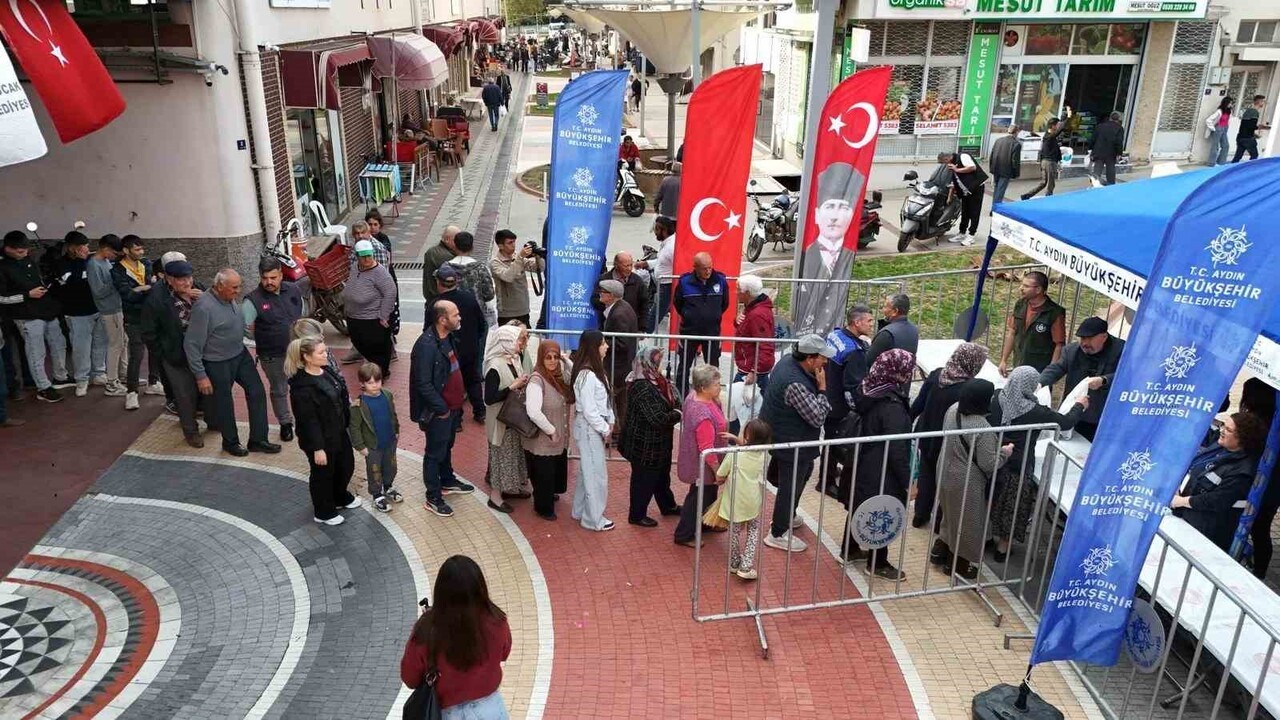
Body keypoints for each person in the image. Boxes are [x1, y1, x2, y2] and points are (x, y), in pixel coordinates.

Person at [987, 366, 1086, 560]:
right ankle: (1002, 550)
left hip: (993, 459)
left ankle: (986, 538)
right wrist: (1079, 405)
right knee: (1012, 508)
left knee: (991, 501)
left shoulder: (998, 397)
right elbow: (1065, 422)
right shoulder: (1035, 411)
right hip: (1019, 465)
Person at [400, 555, 512, 720]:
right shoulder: (497, 621)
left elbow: (409, 678)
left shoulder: (426, 629)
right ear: (480, 587)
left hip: (445, 713)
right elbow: (504, 653)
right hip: (491, 710)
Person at [185, 269, 280, 457]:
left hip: (240, 354)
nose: (238, 291)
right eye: (234, 288)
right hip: (217, 362)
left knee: (257, 392)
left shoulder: (229, 297)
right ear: (220, 286)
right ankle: (230, 442)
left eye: (239, 287)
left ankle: (258, 440)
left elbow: (235, 323)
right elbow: (191, 343)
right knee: (224, 403)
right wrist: (200, 375)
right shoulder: (204, 307)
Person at [760, 335, 834, 553]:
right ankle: (777, 533)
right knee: (790, 486)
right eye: (822, 358)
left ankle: (788, 515)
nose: (826, 363)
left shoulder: (786, 362)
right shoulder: (796, 384)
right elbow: (818, 417)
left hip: (785, 437)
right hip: (792, 442)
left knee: (803, 472)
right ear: (810, 359)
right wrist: (822, 388)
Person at [846, 349, 916, 579]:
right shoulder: (892, 405)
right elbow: (897, 448)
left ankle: (850, 548)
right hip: (882, 469)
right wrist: (907, 482)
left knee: (862, 504)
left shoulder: (870, 388)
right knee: (881, 510)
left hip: (864, 461)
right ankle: (878, 563)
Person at [935, 379, 1013, 580]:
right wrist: (1004, 453)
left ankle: (939, 551)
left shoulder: (953, 410)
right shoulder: (982, 427)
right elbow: (989, 464)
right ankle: (958, 566)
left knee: (949, 514)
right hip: (965, 482)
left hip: (944, 469)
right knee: (967, 524)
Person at [411, 299, 478, 518]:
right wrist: (442, 409)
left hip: (452, 409)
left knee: (446, 446)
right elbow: (423, 384)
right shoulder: (426, 346)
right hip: (440, 412)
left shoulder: (448, 338)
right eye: (455, 314)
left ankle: (447, 480)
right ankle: (433, 496)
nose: (460, 318)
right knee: (434, 453)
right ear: (442, 320)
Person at [911, 342, 988, 529]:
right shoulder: (968, 389)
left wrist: (908, 422)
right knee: (944, 481)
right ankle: (939, 522)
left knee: (926, 475)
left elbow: (919, 403)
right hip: (948, 442)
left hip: (926, 433)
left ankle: (920, 515)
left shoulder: (937, 374)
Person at [286, 336, 359, 525]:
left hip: (338, 431)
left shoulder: (326, 371)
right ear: (307, 357)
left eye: (325, 350)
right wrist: (318, 448)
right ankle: (324, 511)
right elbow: (308, 420)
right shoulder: (301, 387)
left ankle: (340, 496)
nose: (326, 354)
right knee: (323, 475)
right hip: (320, 439)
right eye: (321, 352)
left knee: (345, 466)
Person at [1173, 412, 1268, 551]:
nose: (1222, 431)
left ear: (1243, 438)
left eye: (1228, 430)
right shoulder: (1221, 446)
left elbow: (1218, 500)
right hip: (1185, 517)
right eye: (1223, 425)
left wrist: (1181, 501)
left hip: (1204, 532)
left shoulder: (1243, 472)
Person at [141, 260, 211, 447]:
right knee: (184, 394)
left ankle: (213, 421)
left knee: (208, 389)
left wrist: (204, 298)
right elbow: (148, 332)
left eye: (189, 278)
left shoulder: (200, 289)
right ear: (169, 279)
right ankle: (191, 431)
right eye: (181, 280)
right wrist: (164, 353)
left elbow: (216, 308)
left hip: (203, 352)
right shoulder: (157, 299)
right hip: (176, 355)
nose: (187, 283)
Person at [0, 230, 69, 403]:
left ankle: (61, 376)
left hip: (46, 310)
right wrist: (27, 295)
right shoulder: (2, 267)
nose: (24, 254)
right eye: (19, 251)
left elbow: (39, 281)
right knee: (36, 351)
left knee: (58, 343)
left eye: (25, 251)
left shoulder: (29, 261)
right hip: (25, 315)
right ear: (8, 248)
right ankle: (43, 387)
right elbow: (2, 298)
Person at [795, 163, 863, 331]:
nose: (834, 216)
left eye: (843, 208)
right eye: (830, 206)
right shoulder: (805, 255)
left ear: (852, 215)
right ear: (817, 215)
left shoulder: (848, 256)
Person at [618, 346, 682, 527]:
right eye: (658, 360)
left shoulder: (656, 380)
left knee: (662, 477)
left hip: (659, 443)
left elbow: (673, 401)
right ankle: (636, 515)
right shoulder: (641, 386)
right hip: (644, 446)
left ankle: (667, 505)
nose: (661, 364)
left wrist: (675, 409)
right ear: (649, 362)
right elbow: (658, 418)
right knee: (643, 480)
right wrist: (678, 413)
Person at [244, 257, 304, 442]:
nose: (269, 282)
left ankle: (304, 419)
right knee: (279, 389)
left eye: (273, 277)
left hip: (297, 351)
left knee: (302, 387)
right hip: (272, 356)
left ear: (281, 274)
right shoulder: (252, 300)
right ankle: (285, 423)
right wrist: (264, 338)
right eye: (264, 278)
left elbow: (300, 312)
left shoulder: (293, 289)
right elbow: (245, 328)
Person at [1038, 317, 1125, 442]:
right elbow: (1056, 368)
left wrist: (1104, 380)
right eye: (1082, 338)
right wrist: (1040, 382)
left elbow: (1128, 376)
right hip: (1076, 414)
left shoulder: (1122, 350)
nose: (1085, 343)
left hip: (1105, 417)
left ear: (1104, 336)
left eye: (1089, 339)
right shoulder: (1071, 351)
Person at [821, 304, 875, 501]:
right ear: (856, 322)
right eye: (868, 320)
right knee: (835, 442)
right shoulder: (853, 352)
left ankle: (828, 472)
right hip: (838, 406)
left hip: (827, 395)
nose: (871, 324)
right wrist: (858, 409)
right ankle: (825, 482)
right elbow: (852, 387)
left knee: (830, 439)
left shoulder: (836, 335)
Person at [674, 363, 729, 547]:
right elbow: (707, 447)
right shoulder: (702, 413)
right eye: (715, 384)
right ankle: (684, 534)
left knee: (708, 492)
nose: (718, 387)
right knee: (698, 497)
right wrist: (717, 470)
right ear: (703, 387)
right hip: (703, 464)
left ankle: (706, 522)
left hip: (700, 460)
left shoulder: (695, 397)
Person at [113, 235, 167, 410]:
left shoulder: (147, 264)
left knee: (155, 350)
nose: (141, 252)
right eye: (137, 249)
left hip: (151, 315)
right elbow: (127, 295)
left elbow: (155, 287)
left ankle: (153, 382)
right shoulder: (118, 270)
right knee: (136, 354)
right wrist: (143, 288)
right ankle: (132, 392)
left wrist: (139, 289)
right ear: (126, 251)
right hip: (133, 318)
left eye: (142, 248)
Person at [482, 324, 533, 514]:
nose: (522, 343)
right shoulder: (494, 366)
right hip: (500, 421)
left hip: (512, 419)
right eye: (519, 339)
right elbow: (489, 398)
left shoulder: (513, 360)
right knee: (501, 456)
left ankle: (511, 487)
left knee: (513, 455)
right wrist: (513, 386)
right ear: (506, 342)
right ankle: (495, 497)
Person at [570, 330, 616, 532]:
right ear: (594, 347)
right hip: (590, 430)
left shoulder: (592, 372)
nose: (606, 346)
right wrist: (605, 428)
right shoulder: (587, 375)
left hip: (591, 427)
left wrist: (610, 420)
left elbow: (601, 402)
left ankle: (580, 510)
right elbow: (589, 410)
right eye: (603, 343)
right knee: (596, 475)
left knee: (586, 472)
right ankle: (593, 518)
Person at [716, 419, 772, 581]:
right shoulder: (763, 455)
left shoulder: (734, 454)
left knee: (734, 532)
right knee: (753, 531)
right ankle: (746, 565)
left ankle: (734, 563)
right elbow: (751, 447)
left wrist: (736, 441)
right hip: (752, 500)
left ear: (746, 436)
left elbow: (720, 475)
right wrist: (738, 440)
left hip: (733, 500)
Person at [50, 233, 104, 396]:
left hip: (96, 308)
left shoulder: (92, 261)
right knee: (81, 347)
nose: (88, 249)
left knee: (99, 343)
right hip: (76, 312)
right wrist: (81, 263)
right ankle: (82, 379)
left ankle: (99, 373)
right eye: (85, 246)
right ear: (75, 248)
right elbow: (72, 282)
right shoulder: (62, 264)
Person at [524, 339, 573, 520]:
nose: (552, 361)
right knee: (544, 473)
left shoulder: (558, 377)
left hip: (557, 438)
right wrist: (551, 430)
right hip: (543, 439)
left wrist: (566, 360)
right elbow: (533, 411)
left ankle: (548, 495)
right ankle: (543, 508)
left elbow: (574, 375)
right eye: (548, 357)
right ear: (540, 358)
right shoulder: (537, 380)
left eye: (556, 357)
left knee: (553, 470)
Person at [435, 265, 489, 423]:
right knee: (473, 380)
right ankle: (480, 411)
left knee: (452, 384)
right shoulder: (469, 298)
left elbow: (429, 331)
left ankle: (457, 419)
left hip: (448, 352)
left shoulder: (437, 304)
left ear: (438, 282)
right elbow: (482, 324)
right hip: (470, 349)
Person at [349, 362, 403, 513]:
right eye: (370, 383)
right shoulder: (358, 405)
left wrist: (396, 430)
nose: (375, 385)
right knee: (374, 471)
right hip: (372, 446)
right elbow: (354, 428)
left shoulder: (387, 395)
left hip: (389, 441)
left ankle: (388, 486)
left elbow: (393, 415)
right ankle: (377, 495)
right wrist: (360, 446)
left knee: (390, 466)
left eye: (377, 381)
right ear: (362, 383)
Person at [672, 251, 729, 396]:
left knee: (713, 368)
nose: (708, 271)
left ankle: (712, 397)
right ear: (695, 267)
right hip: (689, 332)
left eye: (710, 267)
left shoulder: (720, 280)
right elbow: (678, 303)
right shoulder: (685, 282)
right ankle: (681, 398)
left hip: (712, 333)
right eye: (704, 268)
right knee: (684, 367)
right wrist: (689, 315)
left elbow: (725, 304)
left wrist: (712, 315)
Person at [343, 239, 396, 381]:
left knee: (377, 349)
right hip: (354, 316)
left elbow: (390, 293)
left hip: (371, 318)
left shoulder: (380, 272)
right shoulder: (355, 266)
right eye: (363, 256)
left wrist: (384, 316)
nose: (367, 259)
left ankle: (380, 375)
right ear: (357, 256)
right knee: (358, 342)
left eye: (369, 255)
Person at [998, 271, 1065, 375]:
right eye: (1022, 284)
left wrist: (1051, 371)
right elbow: (1012, 333)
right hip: (1019, 364)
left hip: (1039, 369)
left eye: (1026, 286)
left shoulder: (1054, 313)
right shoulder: (1020, 304)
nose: (1021, 288)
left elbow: (1059, 345)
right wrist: (1004, 360)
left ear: (1038, 289)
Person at [88, 234, 126, 397]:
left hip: (116, 307)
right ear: (105, 249)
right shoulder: (93, 265)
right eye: (114, 254)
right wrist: (115, 280)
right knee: (115, 345)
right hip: (108, 310)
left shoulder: (105, 262)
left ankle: (123, 375)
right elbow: (98, 291)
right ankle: (111, 382)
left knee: (123, 341)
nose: (114, 257)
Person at [733, 275, 775, 392]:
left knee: (739, 402)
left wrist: (754, 371)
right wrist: (737, 322)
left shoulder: (757, 314)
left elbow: (765, 345)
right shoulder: (752, 308)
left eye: (738, 290)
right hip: (751, 367)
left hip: (751, 369)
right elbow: (747, 330)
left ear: (747, 293)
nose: (736, 293)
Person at [446, 232, 497, 327]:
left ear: (455, 246)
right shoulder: (480, 268)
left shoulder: (446, 268)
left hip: (450, 315)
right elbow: (489, 294)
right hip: (476, 315)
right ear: (472, 247)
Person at [490, 229, 537, 327]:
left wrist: (538, 256)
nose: (513, 245)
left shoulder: (517, 257)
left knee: (524, 340)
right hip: (507, 312)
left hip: (523, 310)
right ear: (500, 246)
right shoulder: (495, 263)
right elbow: (508, 277)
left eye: (514, 241)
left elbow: (538, 268)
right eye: (510, 243)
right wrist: (520, 258)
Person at [636, 216, 676, 329]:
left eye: (657, 230)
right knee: (657, 310)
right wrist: (646, 264)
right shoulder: (666, 243)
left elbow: (678, 265)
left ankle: (645, 333)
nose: (655, 233)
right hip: (662, 284)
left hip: (668, 284)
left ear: (664, 230)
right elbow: (661, 261)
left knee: (656, 312)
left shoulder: (671, 247)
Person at [593, 252, 650, 331]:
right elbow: (594, 300)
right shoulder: (604, 280)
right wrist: (609, 304)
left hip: (630, 329)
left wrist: (642, 328)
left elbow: (644, 305)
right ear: (616, 265)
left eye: (631, 265)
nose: (630, 268)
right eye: (626, 266)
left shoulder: (637, 281)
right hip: (607, 327)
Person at [942, 150, 989, 246]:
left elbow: (972, 167)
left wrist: (957, 169)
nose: (944, 164)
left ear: (948, 158)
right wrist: (950, 196)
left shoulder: (963, 156)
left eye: (944, 162)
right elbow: (954, 181)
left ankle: (971, 236)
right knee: (965, 212)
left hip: (976, 187)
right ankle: (962, 233)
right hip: (965, 190)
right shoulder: (952, 164)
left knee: (974, 212)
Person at [866, 293, 918, 368]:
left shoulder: (887, 334)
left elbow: (869, 360)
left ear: (895, 311)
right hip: (904, 377)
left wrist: (865, 344)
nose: (883, 310)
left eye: (885, 307)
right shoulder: (913, 329)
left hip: (883, 377)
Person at [1021, 118, 1062, 200]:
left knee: (1044, 183)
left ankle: (1027, 195)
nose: (1058, 126)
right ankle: (1048, 199)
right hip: (1049, 163)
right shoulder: (1049, 137)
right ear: (1053, 126)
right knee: (1050, 183)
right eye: (1057, 124)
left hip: (1046, 162)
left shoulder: (1048, 136)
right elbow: (1059, 131)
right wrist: (1068, 117)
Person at [422, 225, 460, 300]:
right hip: (442, 299)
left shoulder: (431, 251)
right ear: (447, 239)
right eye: (456, 240)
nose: (459, 243)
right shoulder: (447, 257)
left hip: (432, 298)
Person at [988, 124, 1022, 206]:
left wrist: (991, 167)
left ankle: (994, 206)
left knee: (996, 188)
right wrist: (1016, 174)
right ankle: (996, 208)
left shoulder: (998, 140)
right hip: (1006, 170)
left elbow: (992, 155)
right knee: (1001, 189)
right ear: (1017, 132)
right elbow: (1015, 161)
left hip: (995, 167)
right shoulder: (1016, 144)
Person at [1090, 112, 1125, 186]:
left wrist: (1091, 149)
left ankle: (1095, 183)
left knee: (1098, 168)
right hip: (1111, 152)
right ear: (1118, 119)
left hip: (1099, 151)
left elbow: (1093, 139)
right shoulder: (1119, 128)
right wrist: (1119, 153)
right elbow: (1119, 141)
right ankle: (1111, 184)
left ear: (1110, 118)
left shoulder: (1100, 126)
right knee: (1110, 168)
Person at [1234, 95, 1270, 163]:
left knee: (1237, 157)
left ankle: (1231, 171)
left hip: (1241, 137)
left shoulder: (1247, 111)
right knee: (1254, 155)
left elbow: (1245, 126)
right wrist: (1260, 127)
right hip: (1248, 138)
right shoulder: (1255, 112)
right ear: (1259, 102)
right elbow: (1251, 126)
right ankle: (1249, 170)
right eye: (1263, 101)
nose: (1264, 103)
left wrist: (1255, 133)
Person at [1204, 97, 1234, 167]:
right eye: (1230, 103)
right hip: (1218, 128)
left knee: (1226, 146)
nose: (1231, 104)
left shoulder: (1229, 111)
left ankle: (1221, 162)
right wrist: (1213, 129)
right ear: (1226, 103)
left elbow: (1228, 120)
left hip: (1225, 129)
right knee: (1215, 146)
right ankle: (1211, 163)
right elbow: (1208, 120)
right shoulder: (1219, 111)